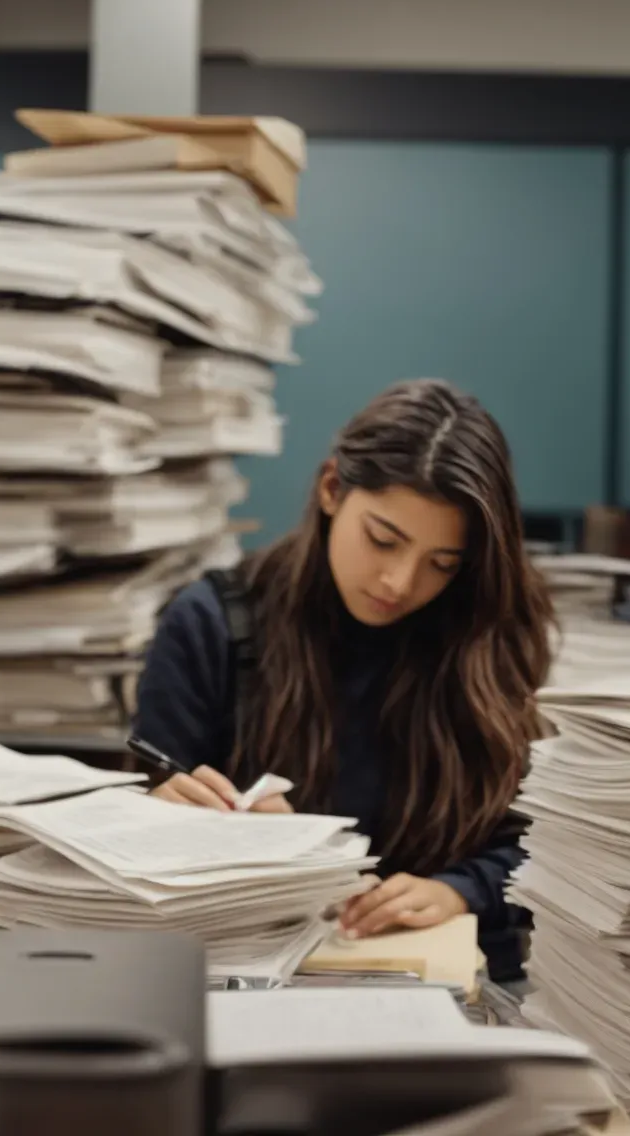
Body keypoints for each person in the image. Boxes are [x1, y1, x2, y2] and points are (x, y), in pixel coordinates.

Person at [132, 379, 554, 980]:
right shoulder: (211, 625)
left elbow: (546, 839)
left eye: (443, 564)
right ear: (332, 489)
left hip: (448, 979)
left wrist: (463, 889)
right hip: (252, 979)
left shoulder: (490, 629)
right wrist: (186, 821)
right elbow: (139, 838)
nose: (400, 583)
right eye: (383, 540)